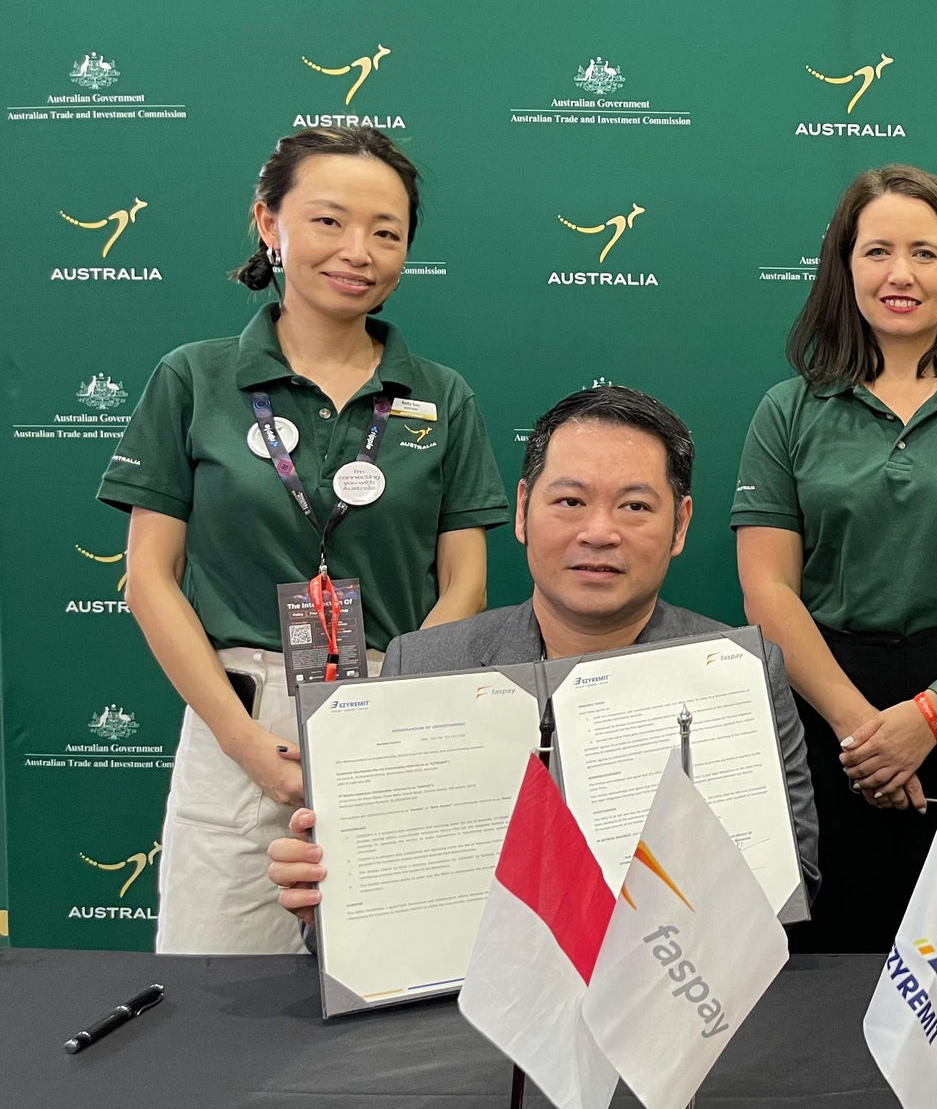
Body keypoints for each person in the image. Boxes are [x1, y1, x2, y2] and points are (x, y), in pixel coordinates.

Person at [99, 128, 507, 954]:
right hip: (242, 717)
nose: (359, 251)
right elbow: (149, 579)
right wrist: (246, 744)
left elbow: (463, 585)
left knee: (394, 988)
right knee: (218, 999)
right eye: (329, 221)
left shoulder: (442, 396)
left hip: (398, 712)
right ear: (268, 224)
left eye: (387, 232)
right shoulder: (195, 378)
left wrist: (388, 718)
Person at [266, 386, 821, 922]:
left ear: (680, 526)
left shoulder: (742, 673)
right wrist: (335, 911)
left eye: (634, 505)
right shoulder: (424, 667)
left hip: (676, 992)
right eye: (571, 501)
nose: (599, 532)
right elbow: (375, 914)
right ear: (524, 509)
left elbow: (792, 879)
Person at [733, 164, 937, 951]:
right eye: (877, 250)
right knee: (829, 971)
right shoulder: (788, 411)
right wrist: (866, 735)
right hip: (830, 719)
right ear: (844, 266)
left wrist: (929, 716)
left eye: (924, 252)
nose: (900, 274)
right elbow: (768, 589)